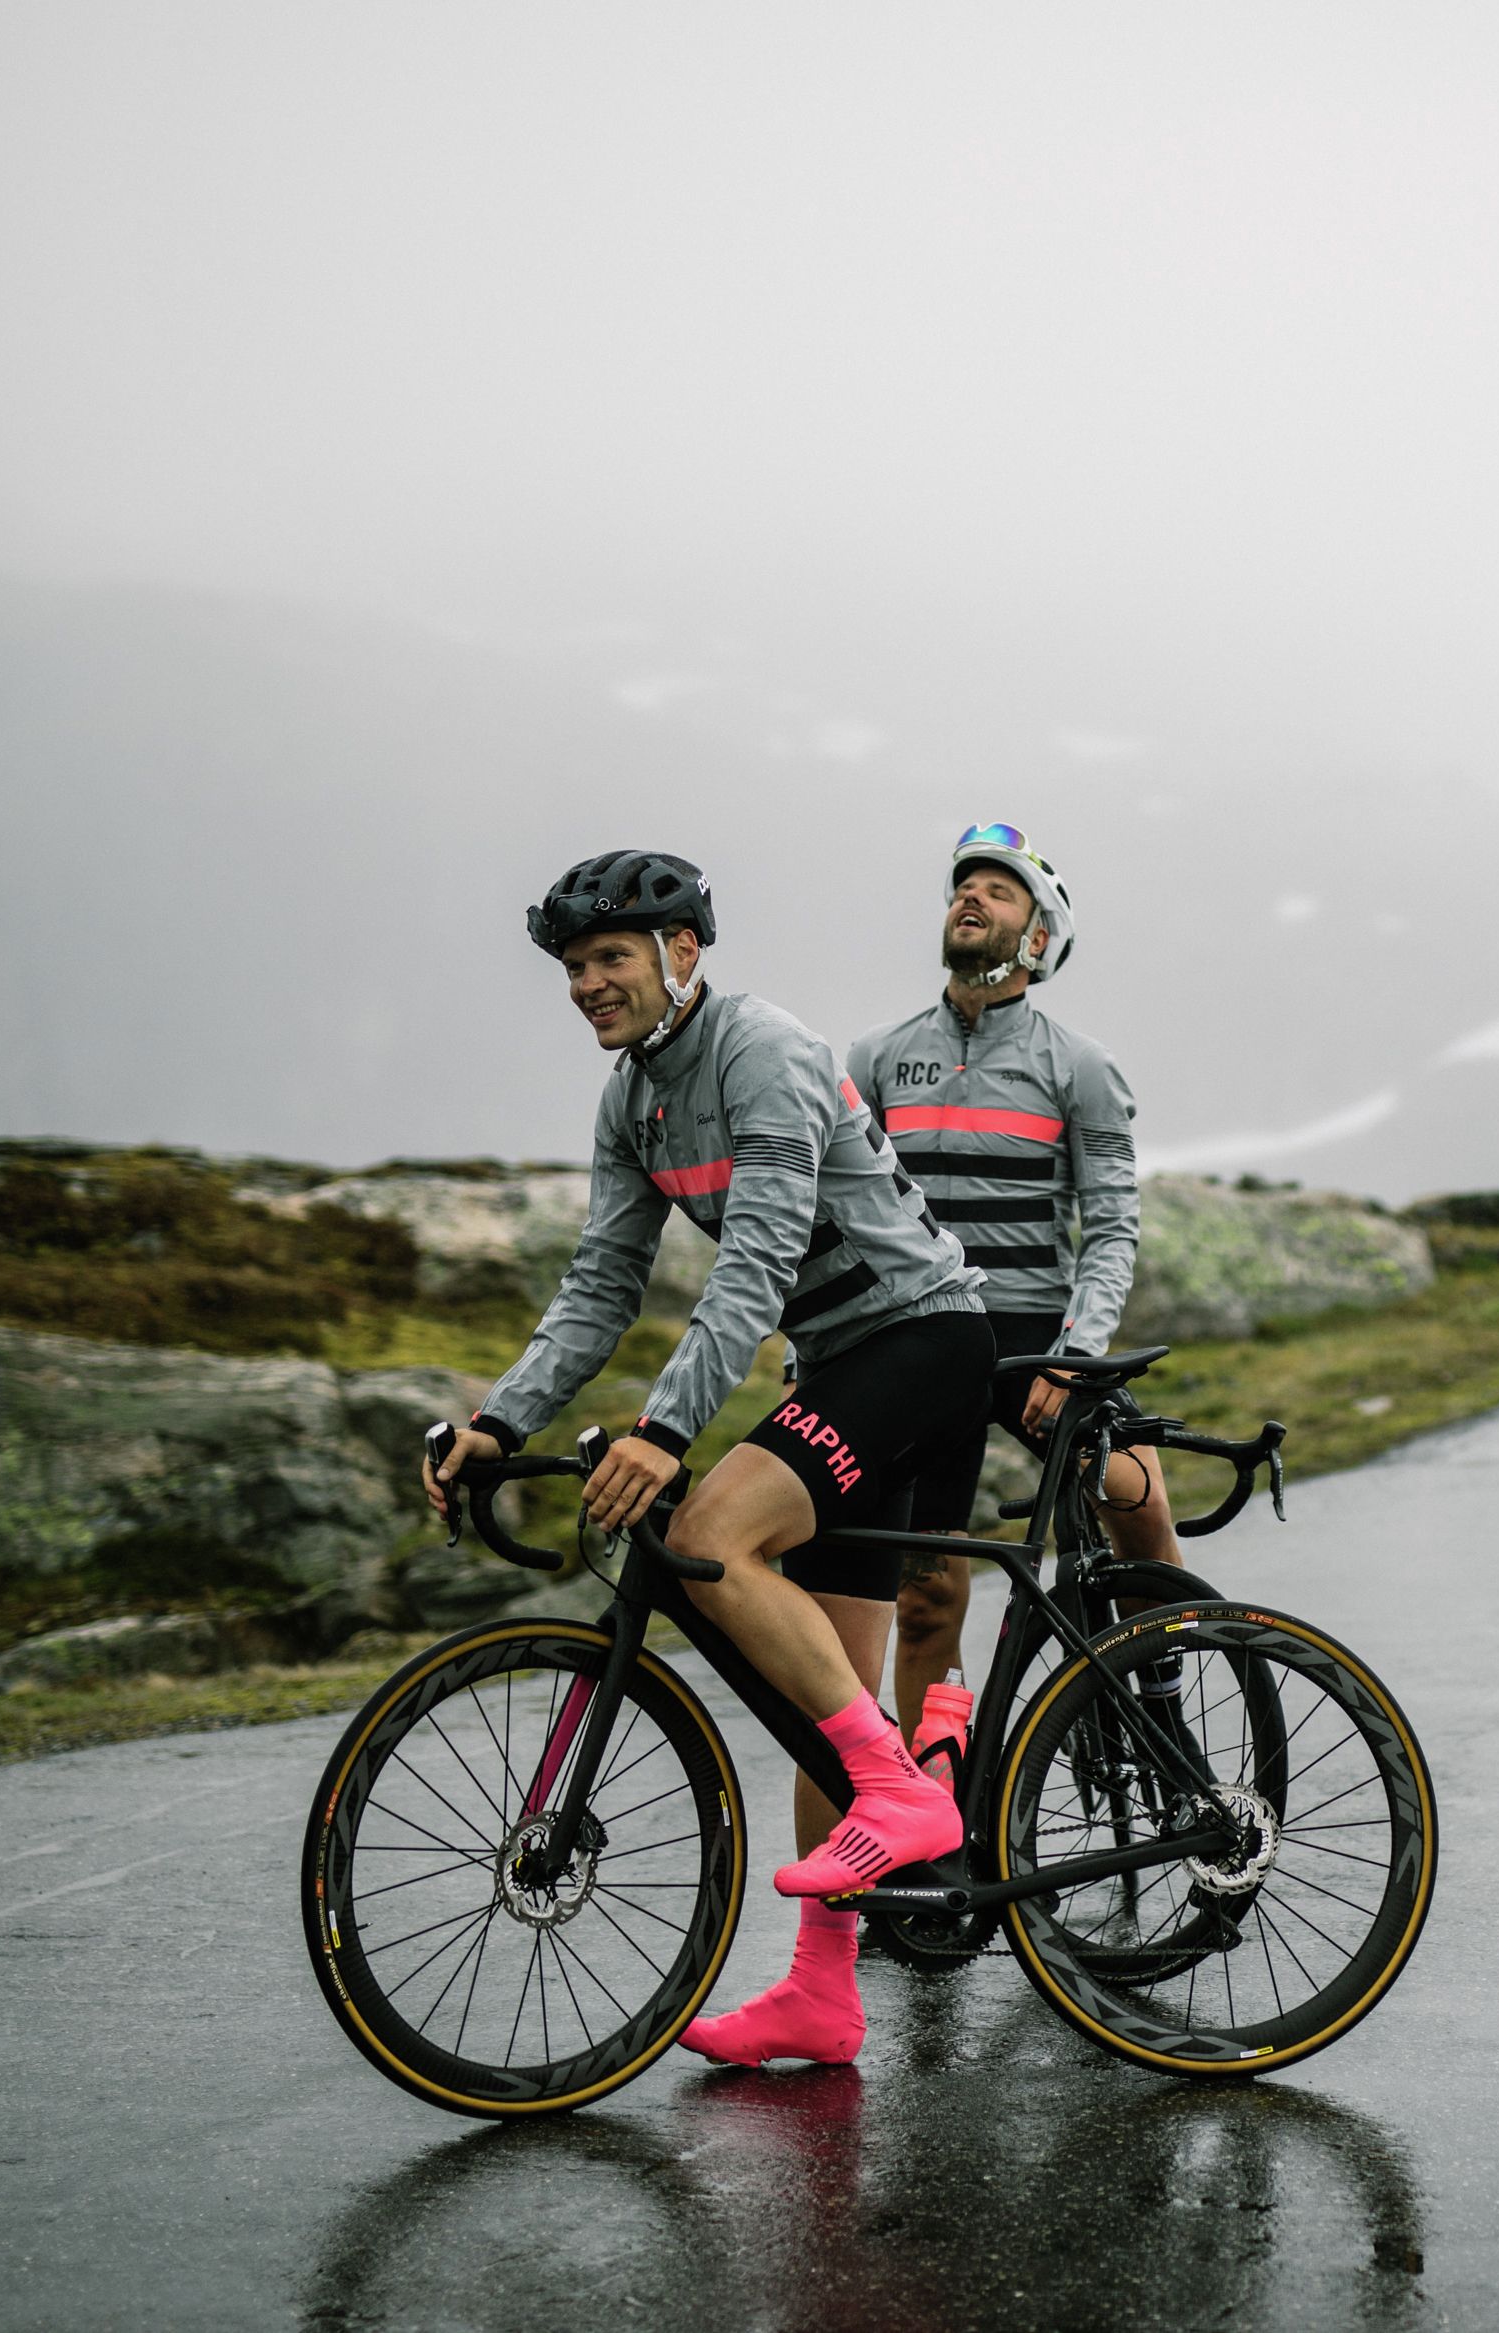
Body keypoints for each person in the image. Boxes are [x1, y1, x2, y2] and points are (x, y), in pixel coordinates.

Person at [419, 848, 990, 2072]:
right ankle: (823, 1992)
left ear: (682, 952)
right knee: (831, 1697)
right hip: (838, 1365)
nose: (586, 982)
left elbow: (759, 1260)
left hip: (924, 1338)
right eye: (573, 965)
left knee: (705, 1532)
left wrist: (665, 1430)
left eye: (609, 956)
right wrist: (499, 1421)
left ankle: (907, 1794)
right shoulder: (632, 1099)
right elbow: (600, 1283)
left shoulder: (761, 1050)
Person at [849, 824, 1178, 1759]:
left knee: (1140, 1499)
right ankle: (938, 1798)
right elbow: (841, 1220)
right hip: (921, 1340)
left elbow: (1110, 1228)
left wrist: (1077, 1356)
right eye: (965, 885)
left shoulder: (1078, 1065)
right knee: (926, 1595)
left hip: (1035, 1339)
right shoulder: (876, 1058)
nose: (972, 897)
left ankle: (1165, 1698)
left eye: (999, 890)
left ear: (1038, 936)